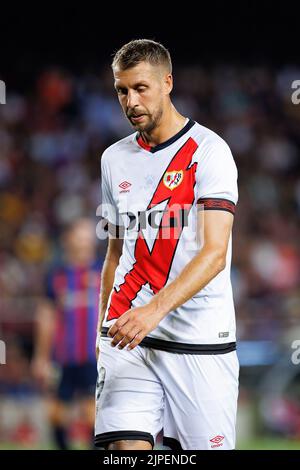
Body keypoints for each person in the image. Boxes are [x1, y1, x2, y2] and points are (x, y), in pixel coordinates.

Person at [95, 39, 239, 451]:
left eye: (141, 88)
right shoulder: (112, 159)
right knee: (122, 452)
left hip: (199, 340)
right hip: (127, 334)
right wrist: (102, 330)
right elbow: (114, 252)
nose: (131, 101)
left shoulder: (210, 153)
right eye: (122, 90)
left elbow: (214, 254)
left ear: (168, 82)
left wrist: (153, 311)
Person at [32, 218, 102, 449]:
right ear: (68, 239)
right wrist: (41, 357)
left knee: (93, 413)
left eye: (88, 236)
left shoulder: (104, 270)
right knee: (56, 413)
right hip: (62, 356)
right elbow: (46, 317)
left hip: (95, 356)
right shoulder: (57, 275)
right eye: (80, 235)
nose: (85, 241)